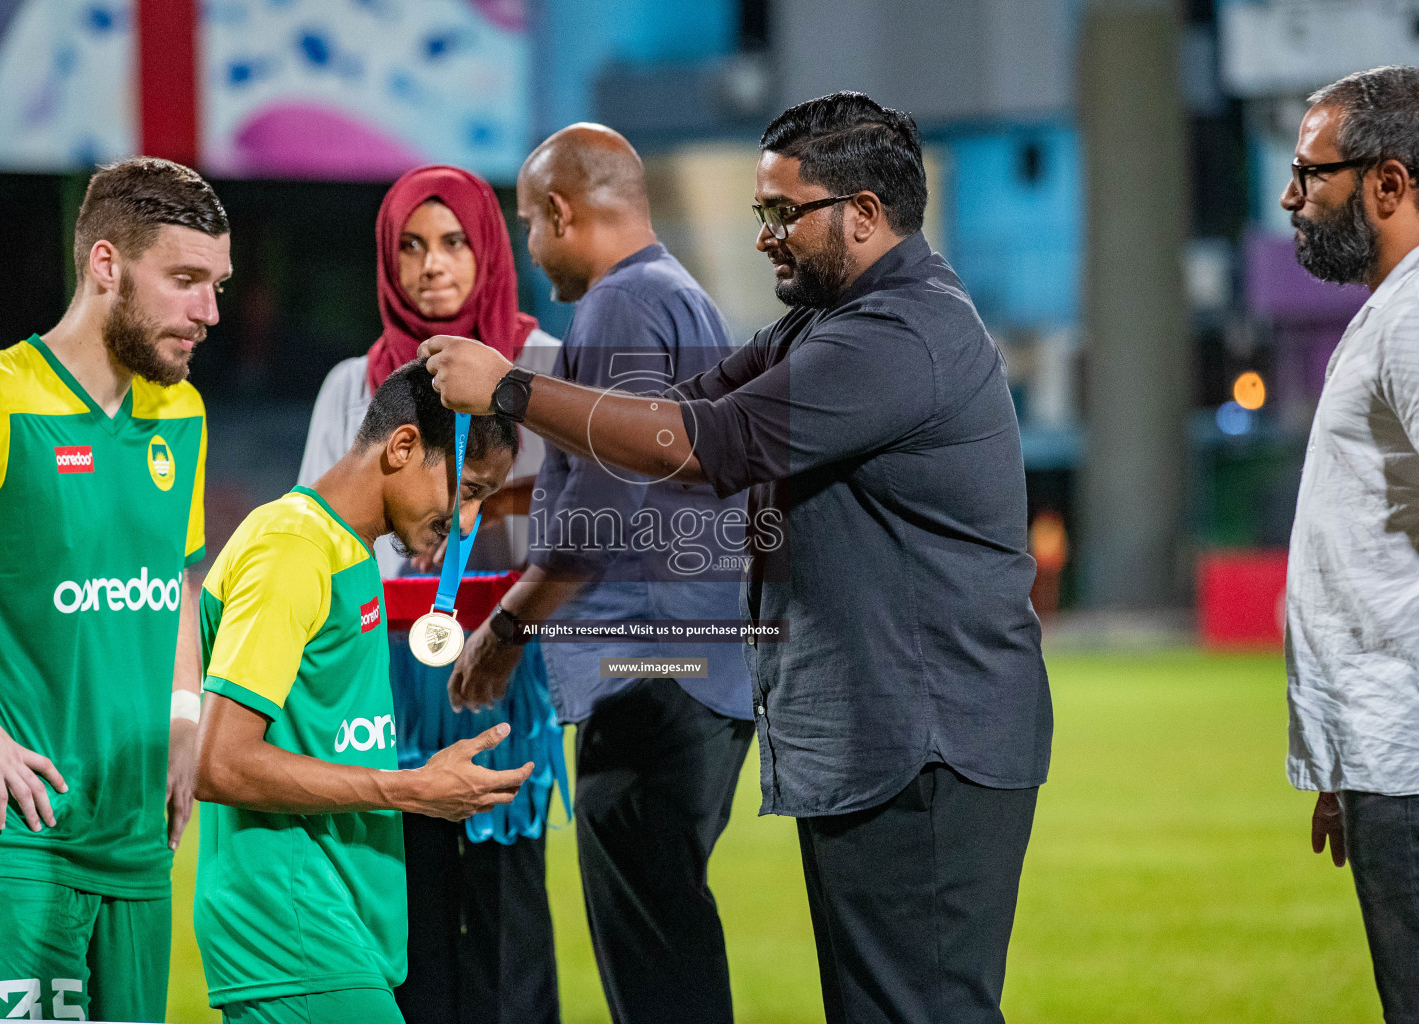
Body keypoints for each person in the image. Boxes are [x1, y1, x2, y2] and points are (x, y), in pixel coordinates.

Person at [422, 92, 1054, 1024]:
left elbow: (700, 444)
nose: (764, 237)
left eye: (780, 214)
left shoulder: (898, 335)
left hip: (926, 737)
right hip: (887, 733)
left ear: (864, 215)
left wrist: (513, 390)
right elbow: (679, 415)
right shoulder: (826, 324)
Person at [0, 157, 227, 1020]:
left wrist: (187, 721)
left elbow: (173, 585)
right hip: (7, 833)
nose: (210, 312)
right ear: (106, 265)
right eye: (186, 280)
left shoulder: (180, 414)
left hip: (136, 841)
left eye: (217, 283)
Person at [446, 123, 755, 1024]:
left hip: (650, 675)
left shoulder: (621, 304)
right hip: (697, 675)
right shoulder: (679, 295)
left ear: (560, 212)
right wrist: (508, 507)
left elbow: (608, 507)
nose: (526, 245)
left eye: (525, 223)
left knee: (655, 956)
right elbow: (650, 473)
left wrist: (506, 630)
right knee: (668, 931)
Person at [298, 164, 566, 1024]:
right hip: (386, 683)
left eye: (453, 243)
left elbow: (583, 526)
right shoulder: (356, 382)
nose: (432, 266)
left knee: (506, 926)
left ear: (487, 249)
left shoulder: (541, 366)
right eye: (411, 246)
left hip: (504, 666)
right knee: (404, 927)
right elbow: (321, 540)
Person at [193, 360, 533, 1024]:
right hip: (293, 933)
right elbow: (221, 762)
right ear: (402, 446)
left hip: (338, 931)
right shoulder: (291, 550)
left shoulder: (347, 550)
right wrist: (411, 791)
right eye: (466, 490)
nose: (466, 524)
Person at [1280, 65, 1419, 1024]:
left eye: (1310, 174)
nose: (1291, 197)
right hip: (1387, 756)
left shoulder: (1413, 318)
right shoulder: (1390, 310)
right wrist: (1345, 762)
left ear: (1389, 183)